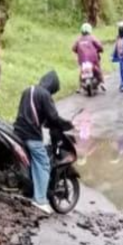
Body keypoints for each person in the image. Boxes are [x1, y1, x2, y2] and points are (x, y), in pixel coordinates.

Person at [12, 71, 73, 214]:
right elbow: (54, 117)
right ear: (52, 86)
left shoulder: (29, 90)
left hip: (18, 131)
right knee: (44, 163)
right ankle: (39, 199)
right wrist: (67, 125)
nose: (52, 93)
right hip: (31, 136)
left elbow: (36, 114)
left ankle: (29, 189)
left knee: (34, 161)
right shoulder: (45, 95)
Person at [72, 22, 104, 90]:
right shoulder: (92, 38)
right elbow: (100, 46)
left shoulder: (78, 39)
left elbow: (73, 48)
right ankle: (101, 82)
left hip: (82, 60)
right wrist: (100, 50)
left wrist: (78, 51)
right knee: (98, 69)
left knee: (81, 71)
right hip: (93, 59)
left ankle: (80, 86)